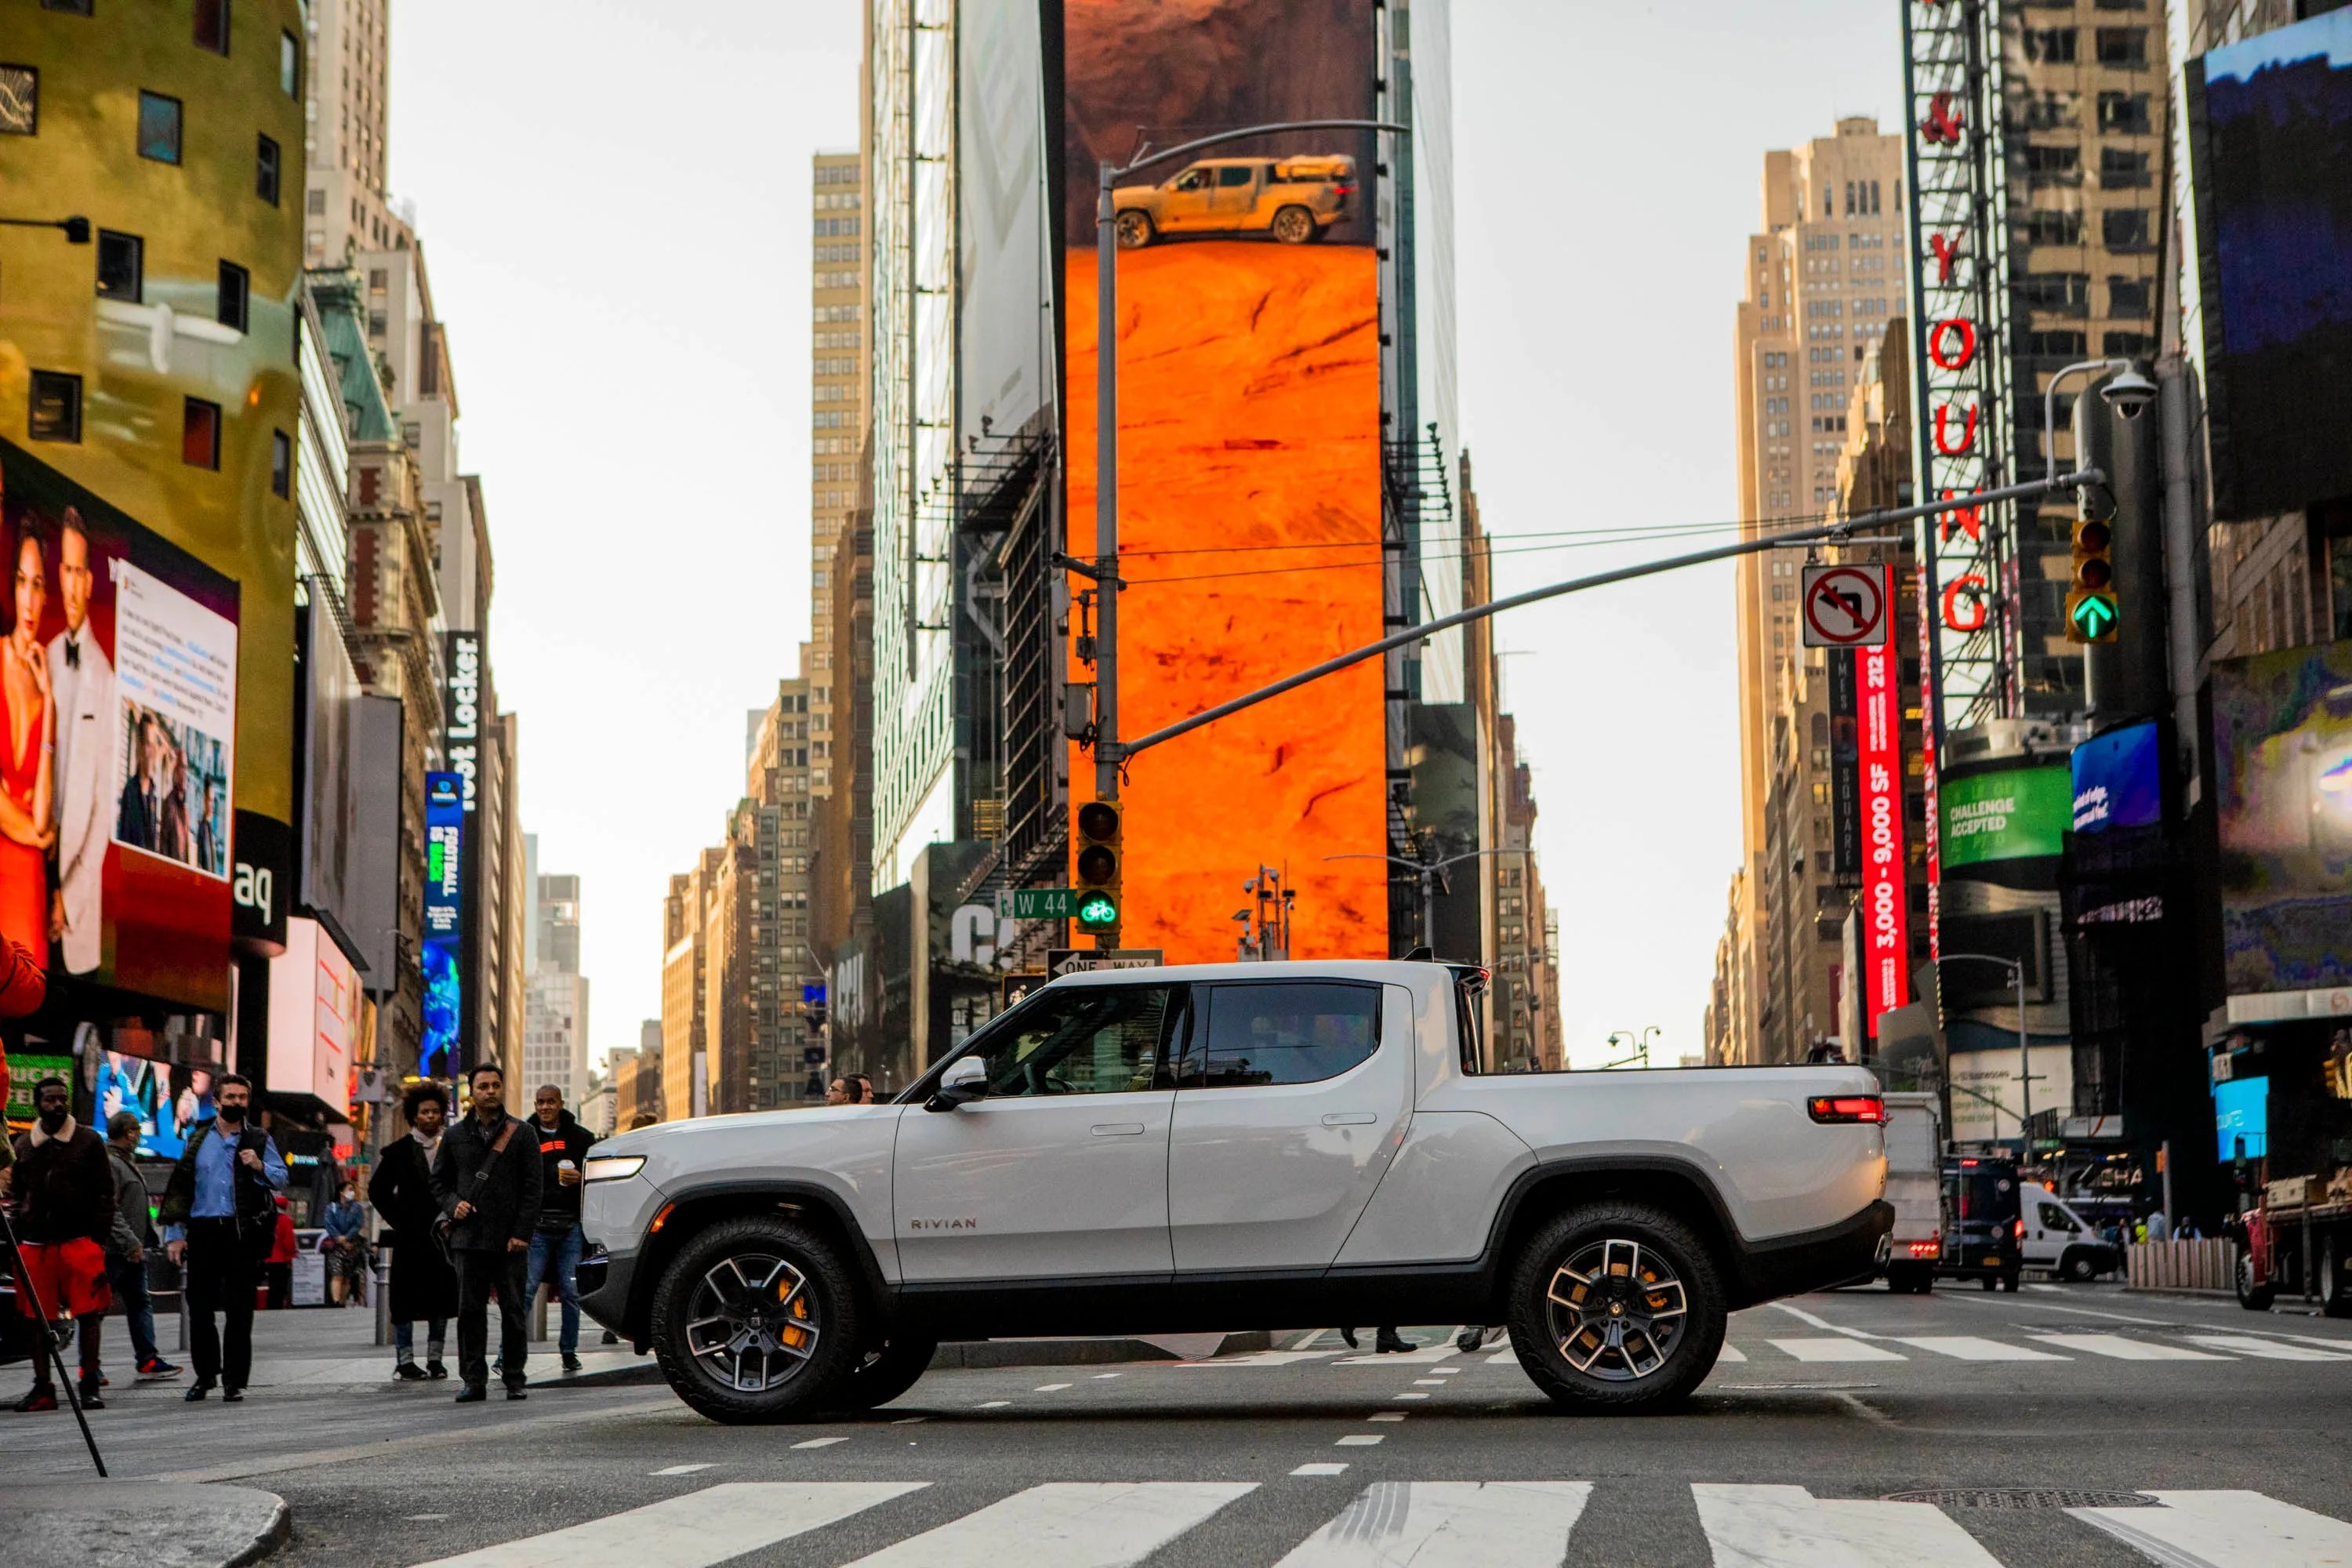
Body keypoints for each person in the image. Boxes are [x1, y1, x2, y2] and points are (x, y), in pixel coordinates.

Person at [159, 1073, 287, 1403]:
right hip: (203, 1231)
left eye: (242, 1097)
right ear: (216, 1102)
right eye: (230, 1097)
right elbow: (181, 1187)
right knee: (200, 1308)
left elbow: (281, 1178)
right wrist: (175, 1234)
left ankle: (234, 1380)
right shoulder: (198, 1138)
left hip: (241, 1232)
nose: (237, 1103)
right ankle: (205, 1376)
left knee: (239, 1310)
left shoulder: (258, 1138)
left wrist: (259, 1166)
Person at [430, 1063, 542, 1403]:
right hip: (468, 1238)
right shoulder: (454, 1136)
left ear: (502, 1089)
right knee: (470, 1312)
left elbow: (533, 1188)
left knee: (514, 1312)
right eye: (483, 1086)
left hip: (511, 1241)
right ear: (472, 1092)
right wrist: (454, 1205)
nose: (490, 1091)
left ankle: (515, 1377)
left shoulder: (522, 1133)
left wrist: (522, 1232)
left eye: (495, 1085)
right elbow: (438, 1182)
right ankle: (473, 1380)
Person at [7, 1076, 113, 1412]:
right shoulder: (24, 1144)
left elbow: (105, 1192)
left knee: (89, 1315)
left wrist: (97, 1240)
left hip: (78, 1241)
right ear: (37, 1104)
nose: (57, 1105)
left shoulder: (88, 1140)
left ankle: (90, 1384)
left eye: (61, 1099)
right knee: (37, 1319)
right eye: (50, 1099)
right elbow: (16, 1194)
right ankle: (43, 1388)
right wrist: (18, 1234)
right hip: (35, 1244)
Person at [45, 509, 107, 978]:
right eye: (63, 570)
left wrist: (69, 896)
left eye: (77, 572)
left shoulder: (106, 677)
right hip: (33, 863)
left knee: (59, 1020)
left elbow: (104, 810)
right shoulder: (45, 656)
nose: (69, 585)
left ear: (89, 582)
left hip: (74, 902)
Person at [369, 1083, 457, 1380]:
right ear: (414, 1116)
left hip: (442, 1238)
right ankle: (405, 1360)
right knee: (404, 1300)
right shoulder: (398, 1151)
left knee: (441, 1299)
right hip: (409, 1239)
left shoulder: (450, 1149)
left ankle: (435, 1359)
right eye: (424, 1112)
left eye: (435, 1111)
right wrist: (400, 1219)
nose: (430, 1116)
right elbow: (377, 1190)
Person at [0, 524, 55, 986]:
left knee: (25, 994)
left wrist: (50, 704)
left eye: (38, 585)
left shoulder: (45, 684)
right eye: (23, 581)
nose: (30, 598)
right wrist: (37, 837)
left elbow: (42, 816)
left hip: (28, 885)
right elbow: (38, 829)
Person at [523, 1085, 598, 1373]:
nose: (545, 1107)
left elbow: (595, 1176)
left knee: (571, 1291)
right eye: (541, 1102)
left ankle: (569, 1351)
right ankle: (508, 1353)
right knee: (527, 1290)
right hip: (537, 1226)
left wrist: (582, 1178)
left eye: (550, 1102)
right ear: (535, 1105)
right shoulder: (525, 1136)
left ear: (560, 1104)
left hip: (571, 1226)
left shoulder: (582, 1138)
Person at [103, 1111, 179, 1381]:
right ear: (129, 1133)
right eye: (136, 1130)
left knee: (140, 1302)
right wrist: (130, 1241)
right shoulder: (110, 1163)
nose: (139, 1135)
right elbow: (109, 1208)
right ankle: (90, 1368)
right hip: (113, 1252)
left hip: (131, 1251)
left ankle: (148, 1359)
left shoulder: (125, 1161)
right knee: (97, 1310)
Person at [322, 1181, 368, 1306]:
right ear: (341, 1192)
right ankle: (336, 1301)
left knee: (347, 1276)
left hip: (352, 1245)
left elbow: (358, 1224)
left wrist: (347, 1237)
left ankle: (342, 1302)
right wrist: (339, 1238)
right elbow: (329, 1224)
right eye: (349, 1189)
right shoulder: (332, 1207)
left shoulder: (357, 1208)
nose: (352, 1192)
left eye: (353, 1189)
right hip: (336, 1246)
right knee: (337, 1274)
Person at [263, 1194, 297, 1310]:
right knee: (280, 1286)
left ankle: (270, 1306)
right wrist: (291, 1256)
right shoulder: (285, 1220)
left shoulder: (268, 1219)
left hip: (269, 1258)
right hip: (281, 1259)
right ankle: (277, 1308)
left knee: (272, 1285)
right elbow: (289, 1241)